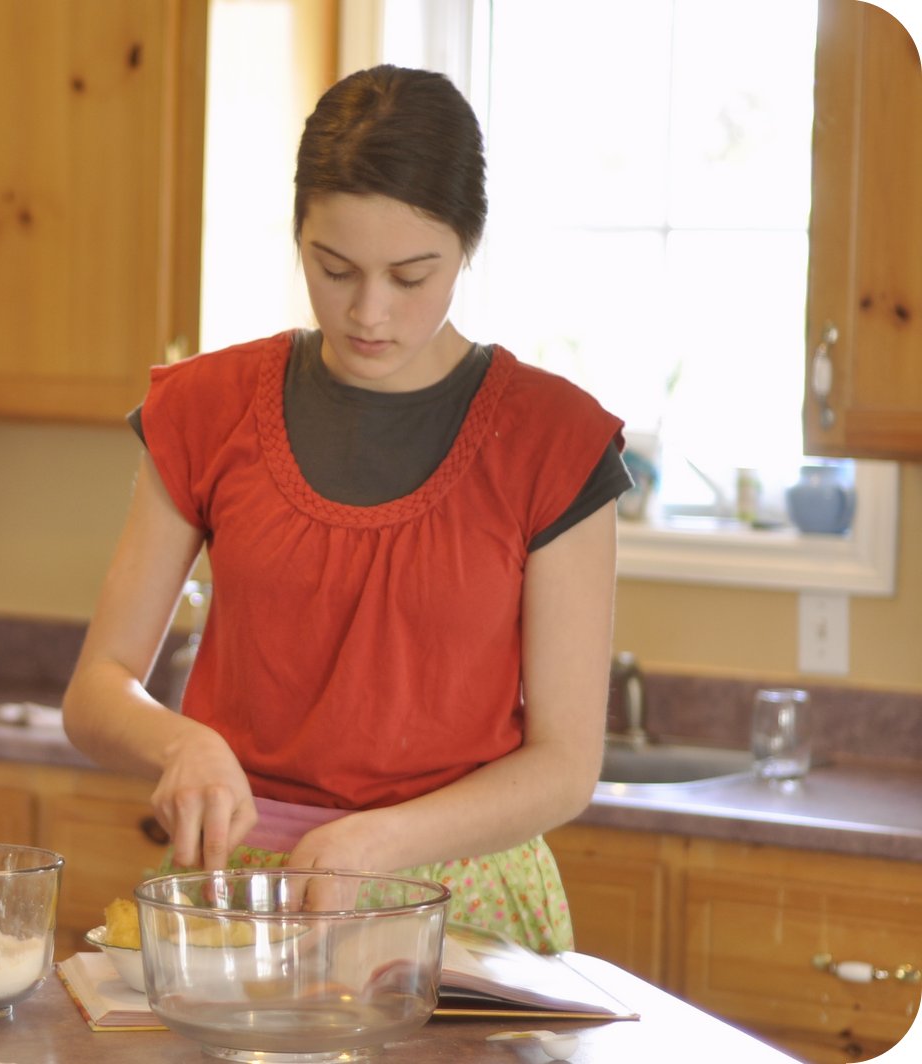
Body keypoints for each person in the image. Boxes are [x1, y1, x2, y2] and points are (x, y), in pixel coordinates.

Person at [61, 64, 631, 953]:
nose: (369, 313)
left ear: (469, 245)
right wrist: (180, 744)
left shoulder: (553, 442)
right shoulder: (207, 410)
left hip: (455, 902)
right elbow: (96, 693)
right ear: (299, 235)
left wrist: (379, 841)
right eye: (334, 269)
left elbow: (564, 766)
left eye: (412, 276)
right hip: (236, 900)